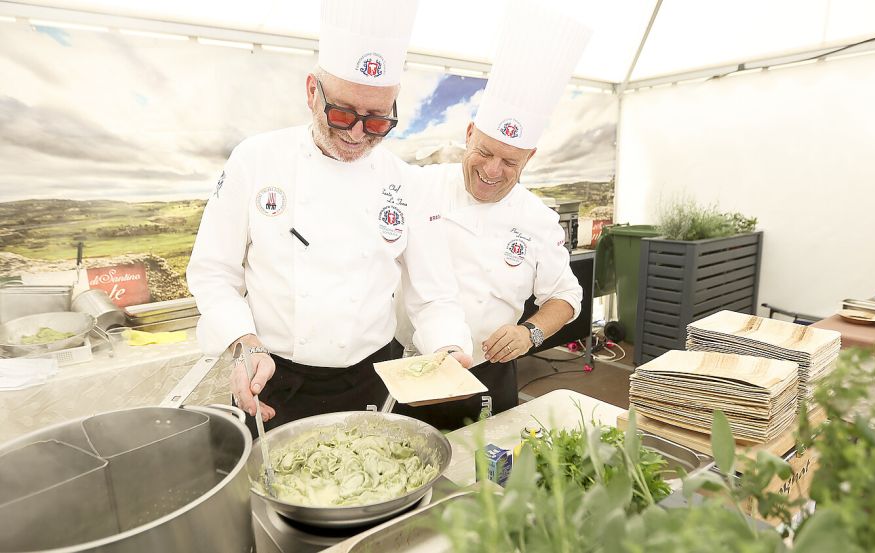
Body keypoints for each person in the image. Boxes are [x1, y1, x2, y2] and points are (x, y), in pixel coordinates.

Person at [187, 0, 471, 436]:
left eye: (377, 121)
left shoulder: (407, 183)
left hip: (373, 379)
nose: (357, 134)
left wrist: (448, 348)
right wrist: (243, 343)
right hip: (273, 376)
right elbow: (213, 272)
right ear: (311, 92)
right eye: (342, 114)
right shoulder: (255, 160)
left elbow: (434, 296)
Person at [394, 2, 591, 429]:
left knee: (490, 465)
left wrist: (529, 333)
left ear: (530, 158)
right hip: (411, 366)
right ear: (469, 134)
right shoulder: (418, 187)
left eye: (510, 162)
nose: (492, 170)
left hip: (490, 370)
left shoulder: (537, 218)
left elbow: (566, 297)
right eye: (484, 152)